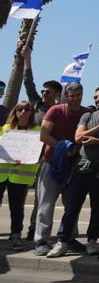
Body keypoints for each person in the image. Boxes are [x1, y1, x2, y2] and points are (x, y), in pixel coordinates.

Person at [48, 85, 99, 257]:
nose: (97, 100)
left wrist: (97, 141)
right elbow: (79, 137)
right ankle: (62, 241)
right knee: (72, 206)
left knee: (98, 207)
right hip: (83, 167)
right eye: (96, 97)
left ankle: (92, 241)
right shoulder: (87, 116)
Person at [33, 79, 87, 255]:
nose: (75, 99)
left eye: (78, 95)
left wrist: (76, 150)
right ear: (66, 95)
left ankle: (68, 238)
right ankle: (41, 241)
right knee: (46, 204)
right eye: (71, 96)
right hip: (52, 163)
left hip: (75, 165)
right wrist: (62, 147)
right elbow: (43, 134)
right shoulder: (55, 110)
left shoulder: (87, 113)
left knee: (72, 205)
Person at [0, 100, 40, 248]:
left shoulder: (37, 130)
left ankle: (16, 236)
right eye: (20, 109)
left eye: (27, 109)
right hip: (1, 174)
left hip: (21, 175)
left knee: (17, 208)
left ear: (31, 113)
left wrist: (27, 157)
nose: (23, 112)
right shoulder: (6, 129)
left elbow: (39, 151)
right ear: (15, 112)